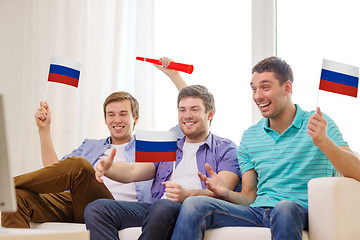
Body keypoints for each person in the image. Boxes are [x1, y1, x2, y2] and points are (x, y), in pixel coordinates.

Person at [170, 56, 360, 240]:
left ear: (287, 87)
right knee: (194, 204)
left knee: (284, 207)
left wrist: (324, 142)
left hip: (299, 211)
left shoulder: (319, 124)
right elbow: (249, 197)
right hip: (258, 212)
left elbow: (357, 172)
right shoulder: (250, 136)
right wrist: (225, 192)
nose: (258, 96)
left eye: (265, 87)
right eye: (254, 89)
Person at [1, 58, 186, 228]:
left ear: (135, 118)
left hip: (115, 209)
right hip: (76, 203)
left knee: (80, 166)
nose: (117, 120)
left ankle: (5, 186)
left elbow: (188, 120)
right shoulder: (91, 146)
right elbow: (52, 171)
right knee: (16, 199)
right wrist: (44, 129)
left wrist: (175, 76)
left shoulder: (149, 146)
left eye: (123, 114)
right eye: (111, 115)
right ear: (105, 119)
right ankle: (8, 191)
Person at [84, 83, 242, 240]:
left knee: (162, 206)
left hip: (191, 211)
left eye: (195, 109)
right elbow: (132, 171)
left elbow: (224, 192)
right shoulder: (168, 142)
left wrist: (188, 195)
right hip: (157, 209)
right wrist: (108, 169)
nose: (187, 115)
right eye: (182, 110)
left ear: (210, 114)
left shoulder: (226, 148)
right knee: (96, 208)